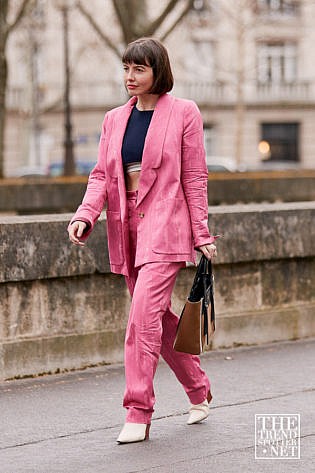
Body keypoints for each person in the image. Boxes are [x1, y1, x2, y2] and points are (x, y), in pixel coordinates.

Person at [68, 37, 218, 444]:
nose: (129, 78)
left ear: (158, 72)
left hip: (168, 223)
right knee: (155, 317)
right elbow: (101, 175)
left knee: (140, 320)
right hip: (126, 225)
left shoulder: (184, 112)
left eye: (139, 70)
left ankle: (138, 409)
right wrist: (85, 215)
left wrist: (201, 232)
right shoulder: (115, 118)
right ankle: (198, 387)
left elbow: (194, 176)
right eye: (126, 69)